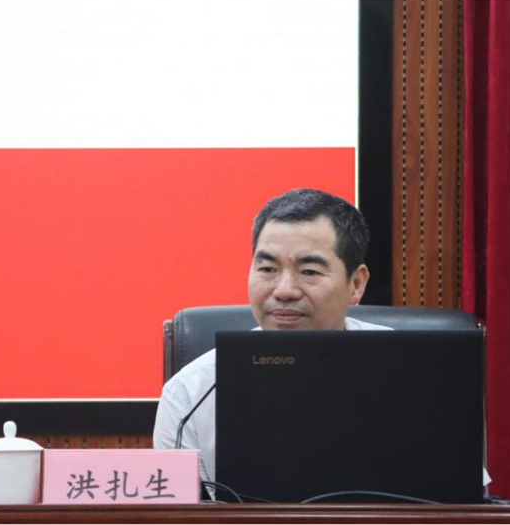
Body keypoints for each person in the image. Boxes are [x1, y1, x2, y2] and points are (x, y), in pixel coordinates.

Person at [152, 188, 390, 486]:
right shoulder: (190, 394)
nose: (284, 290)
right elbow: (180, 508)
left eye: (309, 271)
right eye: (267, 268)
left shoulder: (408, 372)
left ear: (356, 284)